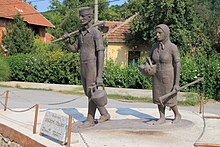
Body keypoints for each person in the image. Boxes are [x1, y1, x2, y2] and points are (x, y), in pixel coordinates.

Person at [63, 7, 110, 128]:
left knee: (91, 92)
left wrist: (99, 75)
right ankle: (104, 114)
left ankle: (90, 119)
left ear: (89, 17)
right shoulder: (81, 34)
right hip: (83, 65)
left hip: (92, 65)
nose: (80, 19)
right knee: (88, 92)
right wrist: (67, 42)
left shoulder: (95, 33)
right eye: (80, 16)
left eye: (83, 16)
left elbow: (100, 53)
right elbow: (74, 49)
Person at [148, 24, 181, 125]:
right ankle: (162, 117)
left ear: (166, 33)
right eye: (156, 33)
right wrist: (147, 65)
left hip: (168, 77)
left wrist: (176, 83)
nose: (157, 35)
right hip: (156, 76)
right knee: (158, 97)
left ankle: (177, 114)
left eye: (160, 33)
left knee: (169, 98)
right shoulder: (154, 46)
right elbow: (148, 58)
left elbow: (177, 65)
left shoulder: (172, 47)